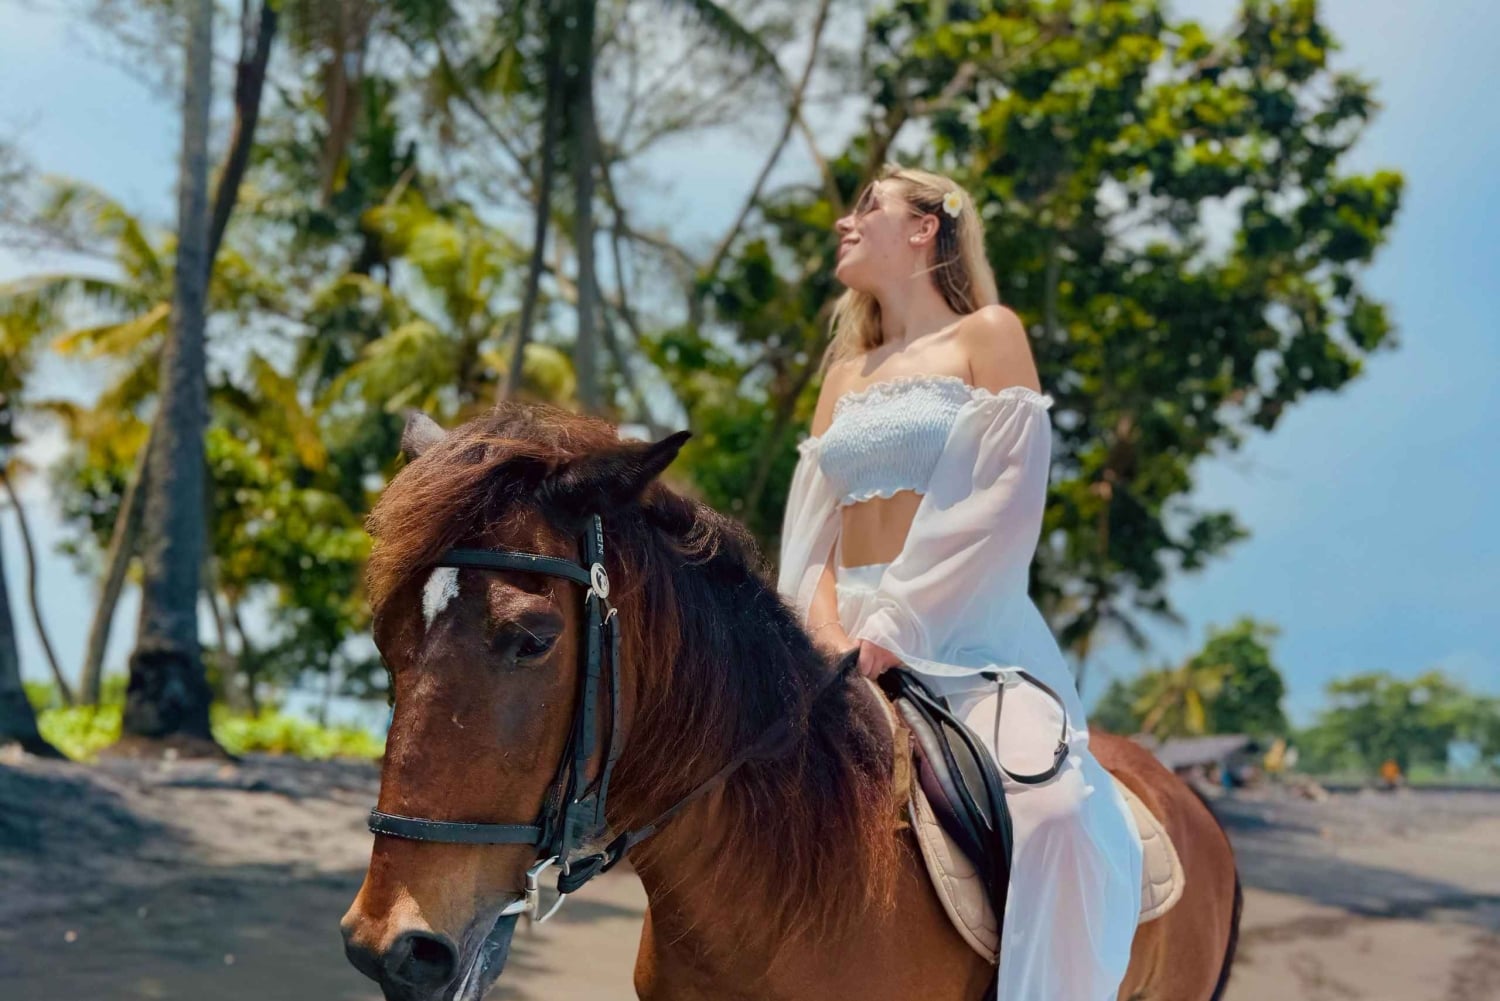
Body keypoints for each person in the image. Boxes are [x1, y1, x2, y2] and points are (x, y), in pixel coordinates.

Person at [777, 164, 1143, 999]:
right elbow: (814, 527)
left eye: (868, 207)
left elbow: (1003, 501)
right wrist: (825, 626)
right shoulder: (843, 377)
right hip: (834, 638)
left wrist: (894, 625)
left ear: (925, 228)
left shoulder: (989, 334)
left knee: (1053, 813)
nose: (845, 222)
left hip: (964, 635)